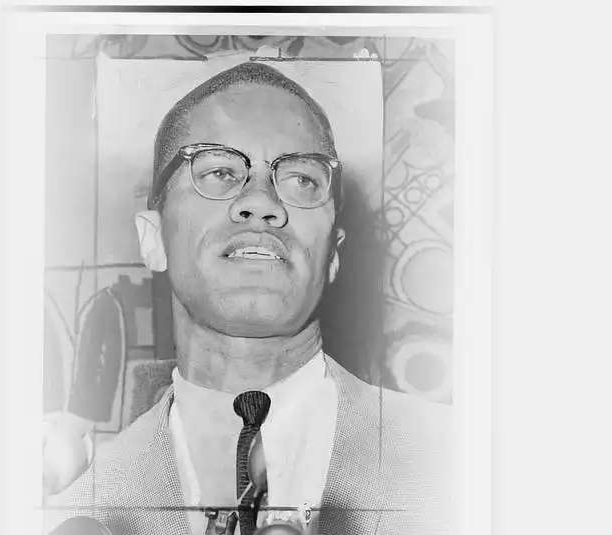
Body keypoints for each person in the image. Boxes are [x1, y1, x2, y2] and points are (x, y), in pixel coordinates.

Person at [45, 62, 451, 535]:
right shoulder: (74, 513)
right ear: (152, 239)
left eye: (302, 179)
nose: (262, 202)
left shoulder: (463, 465)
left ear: (334, 253)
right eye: (219, 170)